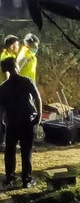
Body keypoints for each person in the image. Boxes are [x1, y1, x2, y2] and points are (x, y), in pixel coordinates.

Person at [0, 57, 42, 188]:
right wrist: (39, 116)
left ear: (4, 70)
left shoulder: (3, 88)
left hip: (12, 123)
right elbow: (37, 98)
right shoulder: (27, 81)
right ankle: (26, 180)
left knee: (10, 152)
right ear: (16, 66)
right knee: (26, 151)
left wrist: (1, 123)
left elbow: (0, 109)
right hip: (26, 121)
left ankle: (10, 179)